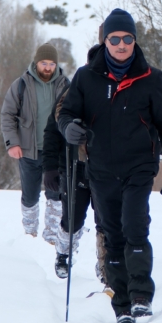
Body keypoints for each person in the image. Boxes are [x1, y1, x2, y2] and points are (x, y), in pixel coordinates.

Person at [59, 8, 162, 323]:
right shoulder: (86, 77)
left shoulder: (151, 79)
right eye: (114, 39)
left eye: (127, 38)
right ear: (105, 41)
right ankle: (122, 304)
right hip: (101, 169)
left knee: (135, 226)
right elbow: (67, 113)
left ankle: (141, 296)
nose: (121, 44)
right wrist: (69, 127)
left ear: (135, 40)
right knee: (113, 235)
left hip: (139, 167)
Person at [42, 24, 109, 287]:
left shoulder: (123, 86)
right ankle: (63, 253)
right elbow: (52, 130)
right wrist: (50, 167)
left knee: (106, 221)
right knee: (72, 219)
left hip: (107, 166)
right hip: (75, 165)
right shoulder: (77, 85)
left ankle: (106, 265)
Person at [1, 44, 68, 242]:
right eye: (44, 63)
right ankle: (29, 233)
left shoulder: (66, 85)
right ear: (36, 62)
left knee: (56, 194)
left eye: (51, 64)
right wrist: (12, 143)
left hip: (55, 153)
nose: (47, 67)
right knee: (30, 196)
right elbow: (7, 114)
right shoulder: (21, 84)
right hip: (28, 151)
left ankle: (52, 236)